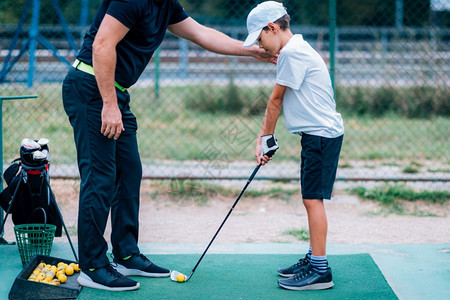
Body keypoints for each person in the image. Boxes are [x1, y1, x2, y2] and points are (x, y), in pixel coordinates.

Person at [62, 0, 276, 292]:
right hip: (92, 87)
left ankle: (126, 255)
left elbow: (201, 34)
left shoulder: (166, 5)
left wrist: (250, 50)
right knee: (100, 178)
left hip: (115, 91)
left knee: (129, 172)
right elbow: (101, 46)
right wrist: (109, 104)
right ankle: (93, 266)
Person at [243, 1, 344, 291]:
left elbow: (275, 101)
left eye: (260, 39)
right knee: (310, 197)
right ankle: (314, 258)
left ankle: (320, 270)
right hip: (317, 135)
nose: (261, 47)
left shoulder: (292, 53)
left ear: (272, 28)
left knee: (313, 200)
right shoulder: (296, 49)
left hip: (321, 136)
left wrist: (264, 141)